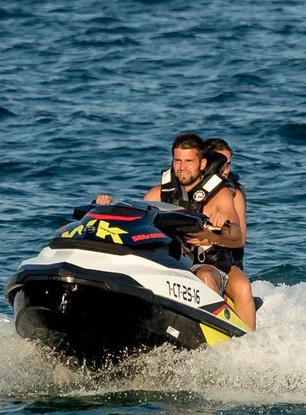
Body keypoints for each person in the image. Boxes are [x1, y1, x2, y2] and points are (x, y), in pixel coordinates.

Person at [95, 132, 256, 329]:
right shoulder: (157, 194)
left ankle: (219, 333)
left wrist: (217, 231)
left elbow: (237, 237)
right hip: (169, 263)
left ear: (202, 164)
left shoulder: (221, 195)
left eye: (189, 161)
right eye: (178, 161)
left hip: (209, 265)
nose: (182, 167)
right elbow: (135, 221)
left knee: (209, 276)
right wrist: (109, 207)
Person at [203, 137, 246, 268]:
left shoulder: (235, 194)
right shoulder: (190, 189)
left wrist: (211, 238)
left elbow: (241, 239)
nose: (226, 171)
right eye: (222, 164)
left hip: (226, 261)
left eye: (229, 164)